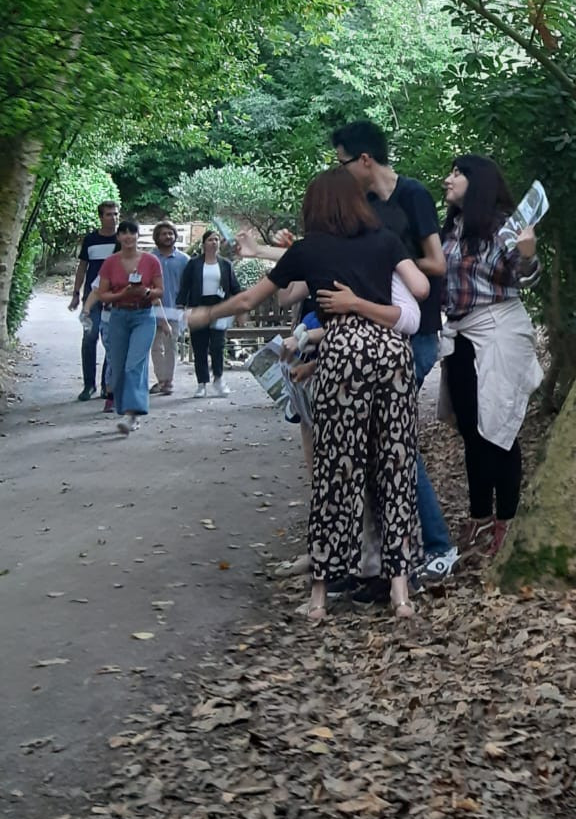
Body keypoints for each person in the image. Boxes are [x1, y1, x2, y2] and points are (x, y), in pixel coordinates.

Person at [190, 166, 428, 622]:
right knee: (394, 467)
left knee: (336, 470)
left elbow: (247, 302)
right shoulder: (385, 240)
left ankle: (319, 598)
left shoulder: (308, 250)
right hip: (392, 353)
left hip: (341, 354)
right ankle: (400, 594)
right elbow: (418, 287)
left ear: (316, 207)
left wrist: (204, 315)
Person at [331, 120, 460, 587]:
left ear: (365, 159)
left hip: (417, 335)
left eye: (343, 161)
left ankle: (437, 547)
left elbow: (437, 263)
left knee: (393, 443)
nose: (339, 171)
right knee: (377, 443)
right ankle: (388, 553)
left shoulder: (413, 196)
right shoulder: (361, 204)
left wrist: (392, 258)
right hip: (377, 337)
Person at [438, 154, 542, 559]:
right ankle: (479, 516)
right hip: (461, 334)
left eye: (457, 174)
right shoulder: (452, 227)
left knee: (499, 427)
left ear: (477, 182)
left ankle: (506, 521)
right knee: (471, 429)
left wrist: (529, 253)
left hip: (499, 330)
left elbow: (528, 277)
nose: (448, 180)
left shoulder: (503, 227)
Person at [88, 220, 163, 434]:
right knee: (118, 366)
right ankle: (124, 407)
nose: (129, 237)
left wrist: (146, 293)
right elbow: (102, 293)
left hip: (143, 315)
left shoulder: (151, 261)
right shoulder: (110, 263)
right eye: (124, 233)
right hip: (118, 315)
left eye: (133, 233)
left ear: (138, 236)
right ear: (119, 238)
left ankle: (132, 413)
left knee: (134, 364)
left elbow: (160, 291)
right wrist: (123, 294)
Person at [181, 229, 241, 397]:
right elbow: (185, 286)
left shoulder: (225, 264)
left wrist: (239, 306)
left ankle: (219, 378)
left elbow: (235, 287)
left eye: (216, 240)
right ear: (204, 243)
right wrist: (182, 306)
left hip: (220, 307)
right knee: (199, 346)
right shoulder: (194, 264)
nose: (213, 242)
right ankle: (201, 383)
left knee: (217, 345)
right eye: (210, 240)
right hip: (198, 307)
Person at [69, 199, 119, 402]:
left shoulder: (121, 239)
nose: (113, 218)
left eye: (116, 214)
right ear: (100, 217)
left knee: (112, 341)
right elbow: (82, 267)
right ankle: (89, 385)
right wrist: (75, 293)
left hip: (115, 298)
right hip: (92, 296)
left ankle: (108, 385)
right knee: (90, 338)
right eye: (109, 214)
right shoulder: (90, 240)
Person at [148, 221, 190, 396]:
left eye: (170, 233)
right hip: (152, 308)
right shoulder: (150, 258)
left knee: (171, 346)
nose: (168, 237)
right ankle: (161, 379)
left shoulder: (184, 260)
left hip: (174, 308)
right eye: (164, 234)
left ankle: (169, 381)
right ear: (157, 237)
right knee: (155, 347)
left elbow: (189, 285)